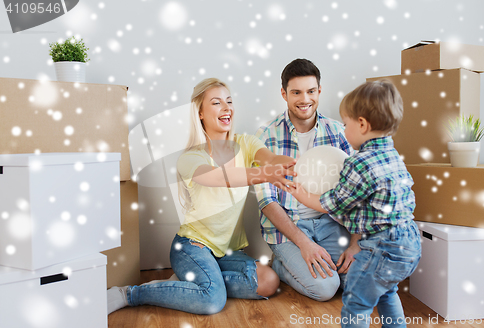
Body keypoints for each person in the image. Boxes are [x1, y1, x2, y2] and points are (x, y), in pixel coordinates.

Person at [108, 78, 296, 315]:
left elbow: (269, 158)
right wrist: (264, 173)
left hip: (228, 251)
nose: (227, 108)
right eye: (217, 103)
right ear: (200, 113)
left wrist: (288, 165)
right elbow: (218, 177)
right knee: (212, 301)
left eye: (229, 101)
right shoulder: (190, 157)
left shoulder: (246, 143)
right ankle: (130, 294)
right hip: (193, 246)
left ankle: (190, 284)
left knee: (268, 281)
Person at [287, 80, 422, 327]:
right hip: (410, 243)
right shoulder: (393, 155)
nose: (344, 130)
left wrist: (302, 195)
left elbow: (336, 203)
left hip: (382, 247)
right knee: (387, 291)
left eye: (346, 124)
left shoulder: (359, 163)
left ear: (361, 124)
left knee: (356, 303)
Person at [254, 58, 357, 302]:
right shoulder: (266, 136)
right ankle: (281, 266)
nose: (305, 99)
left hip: (331, 222)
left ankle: (311, 263)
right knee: (325, 289)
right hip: (290, 229)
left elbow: (358, 194)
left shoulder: (339, 133)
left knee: (357, 283)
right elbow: (266, 201)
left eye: (311, 91)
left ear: (319, 91)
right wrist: (304, 244)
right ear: (284, 94)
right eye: (296, 92)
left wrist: (356, 245)